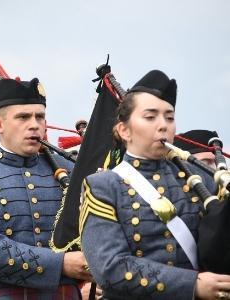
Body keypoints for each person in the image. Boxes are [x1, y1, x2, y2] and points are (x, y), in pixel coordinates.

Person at [80, 70, 230, 299]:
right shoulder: (102, 186)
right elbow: (109, 268)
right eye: (150, 117)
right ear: (124, 130)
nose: (163, 126)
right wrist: (192, 285)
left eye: (169, 118)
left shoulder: (202, 179)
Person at [0, 77, 89, 299]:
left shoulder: (72, 171)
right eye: (23, 117)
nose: (34, 124)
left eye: (40, 117)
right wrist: (61, 264)